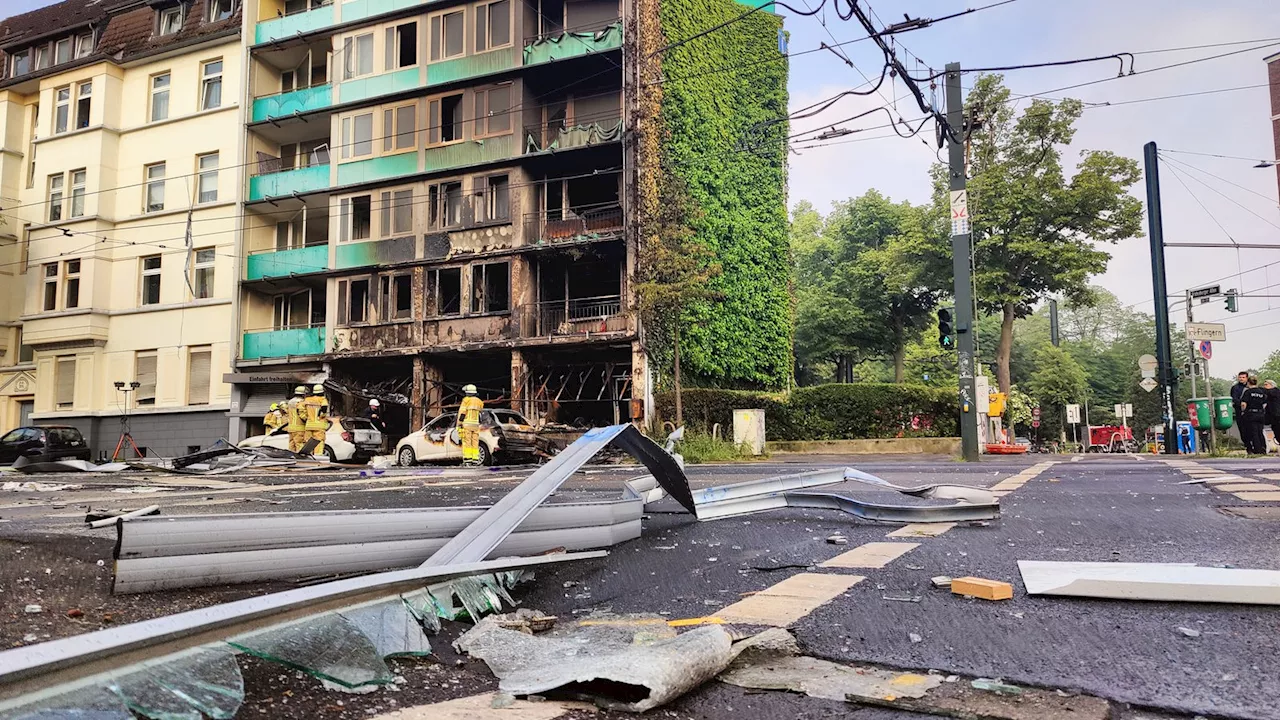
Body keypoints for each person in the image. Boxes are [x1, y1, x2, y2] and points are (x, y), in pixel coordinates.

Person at [1238, 376, 1269, 455]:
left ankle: (1257, 449)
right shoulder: (1262, 392)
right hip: (1261, 414)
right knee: (1260, 431)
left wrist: (1243, 411)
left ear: (1248, 383)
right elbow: (1265, 403)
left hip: (1251, 414)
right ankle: (1263, 448)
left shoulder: (1248, 392)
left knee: (1254, 432)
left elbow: (1243, 404)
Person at [455, 384, 484, 466]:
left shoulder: (466, 400)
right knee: (475, 442)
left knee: (467, 442)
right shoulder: (479, 401)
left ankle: (467, 460)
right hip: (476, 425)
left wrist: (459, 424)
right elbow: (480, 413)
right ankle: (475, 459)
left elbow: (462, 413)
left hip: (467, 424)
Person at [304, 384, 330, 457]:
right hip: (319, 425)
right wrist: (321, 416)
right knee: (319, 442)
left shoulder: (307, 400)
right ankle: (318, 457)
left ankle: (308, 457)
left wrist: (306, 418)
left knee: (308, 443)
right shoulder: (322, 399)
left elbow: (302, 411)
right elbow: (323, 410)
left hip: (309, 425)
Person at [285, 385, 308, 454]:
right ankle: (300, 461)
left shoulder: (290, 402)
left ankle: (291, 459)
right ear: (303, 394)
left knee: (291, 445)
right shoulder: (301, 402)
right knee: (299, 445)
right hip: (299, 428)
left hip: (291, 428)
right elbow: (302, 415)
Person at [1266, 380, 1280, 454]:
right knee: (1276, 432)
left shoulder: (1275, 391)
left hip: (1277, 415)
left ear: (1272, 385)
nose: (1265, 387)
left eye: (1266, 385)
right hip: (1273, 416)